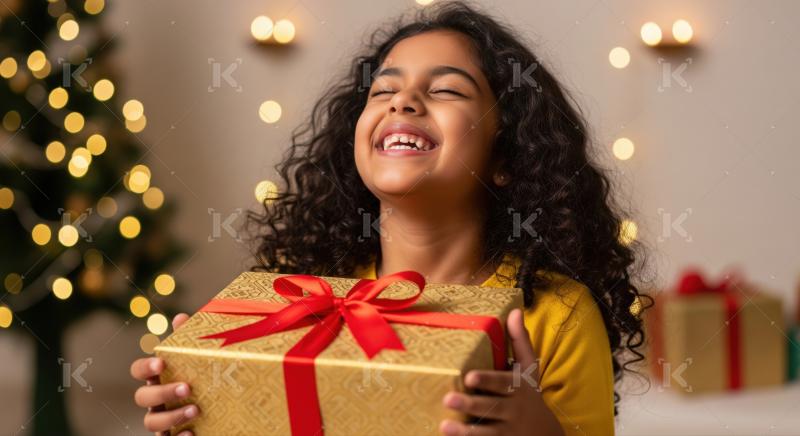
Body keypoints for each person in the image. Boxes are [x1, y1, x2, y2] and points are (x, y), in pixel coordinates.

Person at [131, 1, 650, 434]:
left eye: (446, 89)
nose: (404, 100)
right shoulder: (299, 295)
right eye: (382, 90)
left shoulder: (554, 315)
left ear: (506, 159)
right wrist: (202, 403)